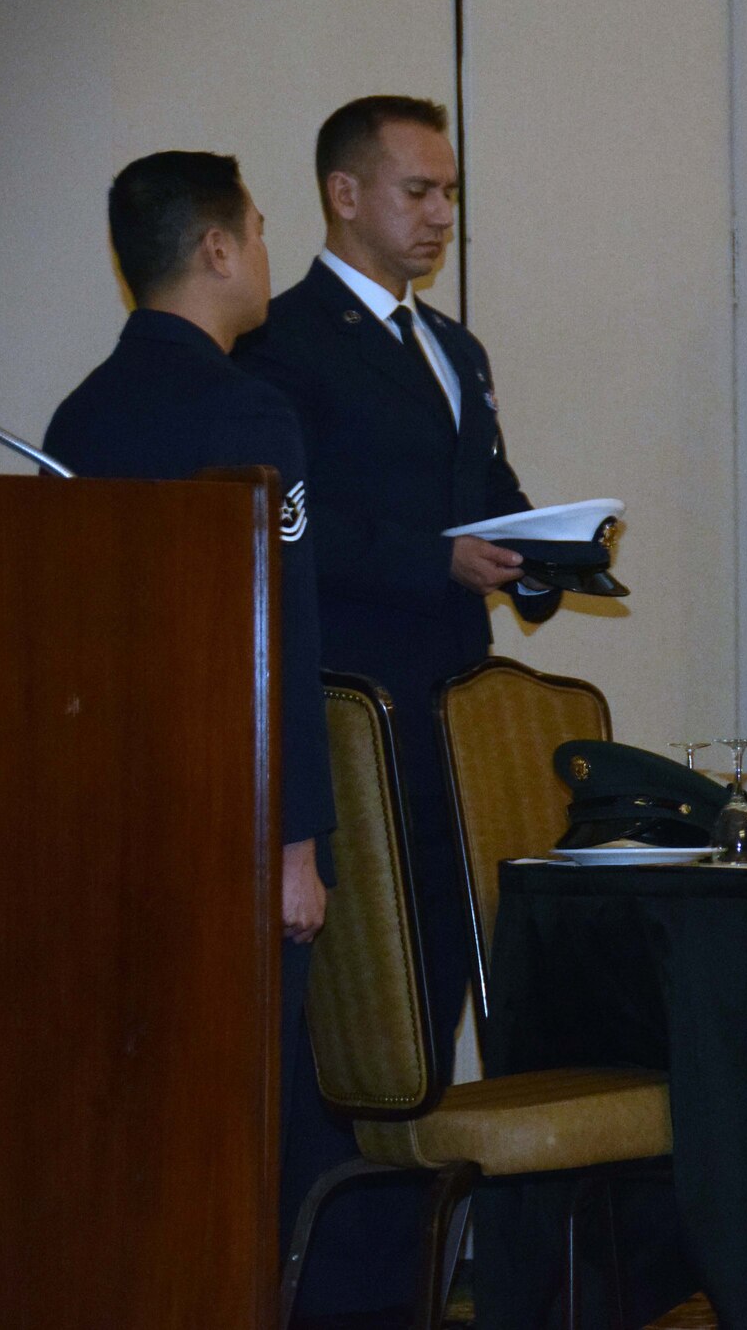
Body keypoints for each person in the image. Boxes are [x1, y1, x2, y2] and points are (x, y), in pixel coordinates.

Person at [236, 94, 559, 1325]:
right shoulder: (284, 343)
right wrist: (437, 556)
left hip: (454, 739)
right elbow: (290, 538)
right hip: (353, 738)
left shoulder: (453, 347)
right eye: (418, 191)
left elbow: (491, 490)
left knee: (435, 1021)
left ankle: (421, 1285)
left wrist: (547, 547)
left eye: (449, 194)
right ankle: (345, 1292)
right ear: (345, 194)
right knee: (359, 1035)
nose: (439, 216)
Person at [39, 149, 335, 1258]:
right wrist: (294, 843)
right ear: (217, 249)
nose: (264, 250)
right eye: (257, 229)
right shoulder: (245, 412)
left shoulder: (81, 415)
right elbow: (285, 630)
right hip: (235, 827)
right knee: (252, 1126)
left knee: (146, 1118)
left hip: (119, 827)